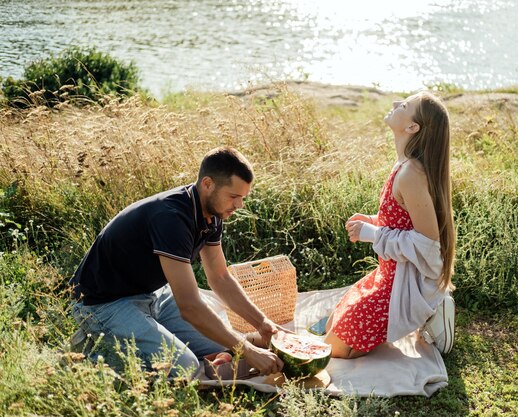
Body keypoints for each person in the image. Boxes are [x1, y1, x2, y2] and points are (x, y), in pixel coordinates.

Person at [70, 146, 284, 377]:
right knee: (185, 367)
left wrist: (262, 323)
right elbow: (190, 306)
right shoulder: (171, 218)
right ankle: (93, 352)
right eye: (233, 197)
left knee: (220, 346)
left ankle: (147, 331)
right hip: (104, 305)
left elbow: (220, 277)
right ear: (208, 184)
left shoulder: (212, 213)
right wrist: (248, 349)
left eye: (242, 198)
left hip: (154, 295)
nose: (239, 205)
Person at [324, 91, 456, 358]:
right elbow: (405, 223)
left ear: (412, 127)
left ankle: (433, 308)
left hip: (398, 288)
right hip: (386, 277)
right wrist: (373, 221)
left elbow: (429, 247)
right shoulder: (403, 165)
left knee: (332, 350)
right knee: (331, 325)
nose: (396, 104)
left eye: (405, 105)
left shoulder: (411, 174)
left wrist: (372, 233)